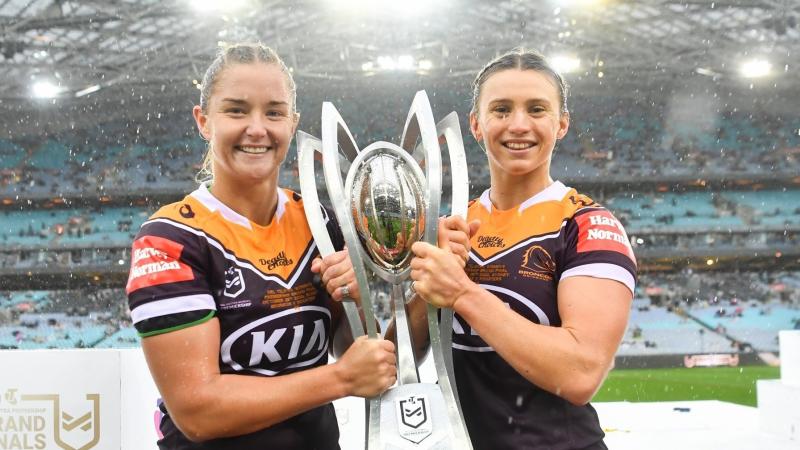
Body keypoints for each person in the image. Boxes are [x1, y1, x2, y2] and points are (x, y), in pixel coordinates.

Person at [125, 42, 396, 450]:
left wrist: (355, 302)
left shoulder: (320, 222)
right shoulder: (169, 241)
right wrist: (338, 380)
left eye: (274, 112)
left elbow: (347, 349)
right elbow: (198, 411)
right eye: (236, 110)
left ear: (292, 122)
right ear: (203, 121)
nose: (257, 128)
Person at [407, 49, 637, 449]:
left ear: (561, 123)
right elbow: (400, 359)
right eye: (500, 109)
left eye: (536, 109)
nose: (518, 125)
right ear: (476, 125)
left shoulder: (587, 224)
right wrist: (420, 287)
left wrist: (461, 292)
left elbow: (581, 374)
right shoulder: (451, 227)